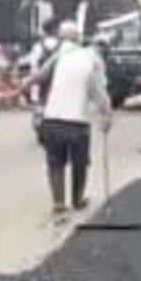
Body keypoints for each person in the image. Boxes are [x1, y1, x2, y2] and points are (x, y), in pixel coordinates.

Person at [22, 21, 112, 214]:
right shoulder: (91, 59)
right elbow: (99, 93)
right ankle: (77, 200)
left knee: (55, 163)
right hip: (77, 124)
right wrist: (107, 115)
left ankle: (58, 203)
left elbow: (39, 75)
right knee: (79, 164)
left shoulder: (59, 56)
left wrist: (22, 87)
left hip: (52, 120)